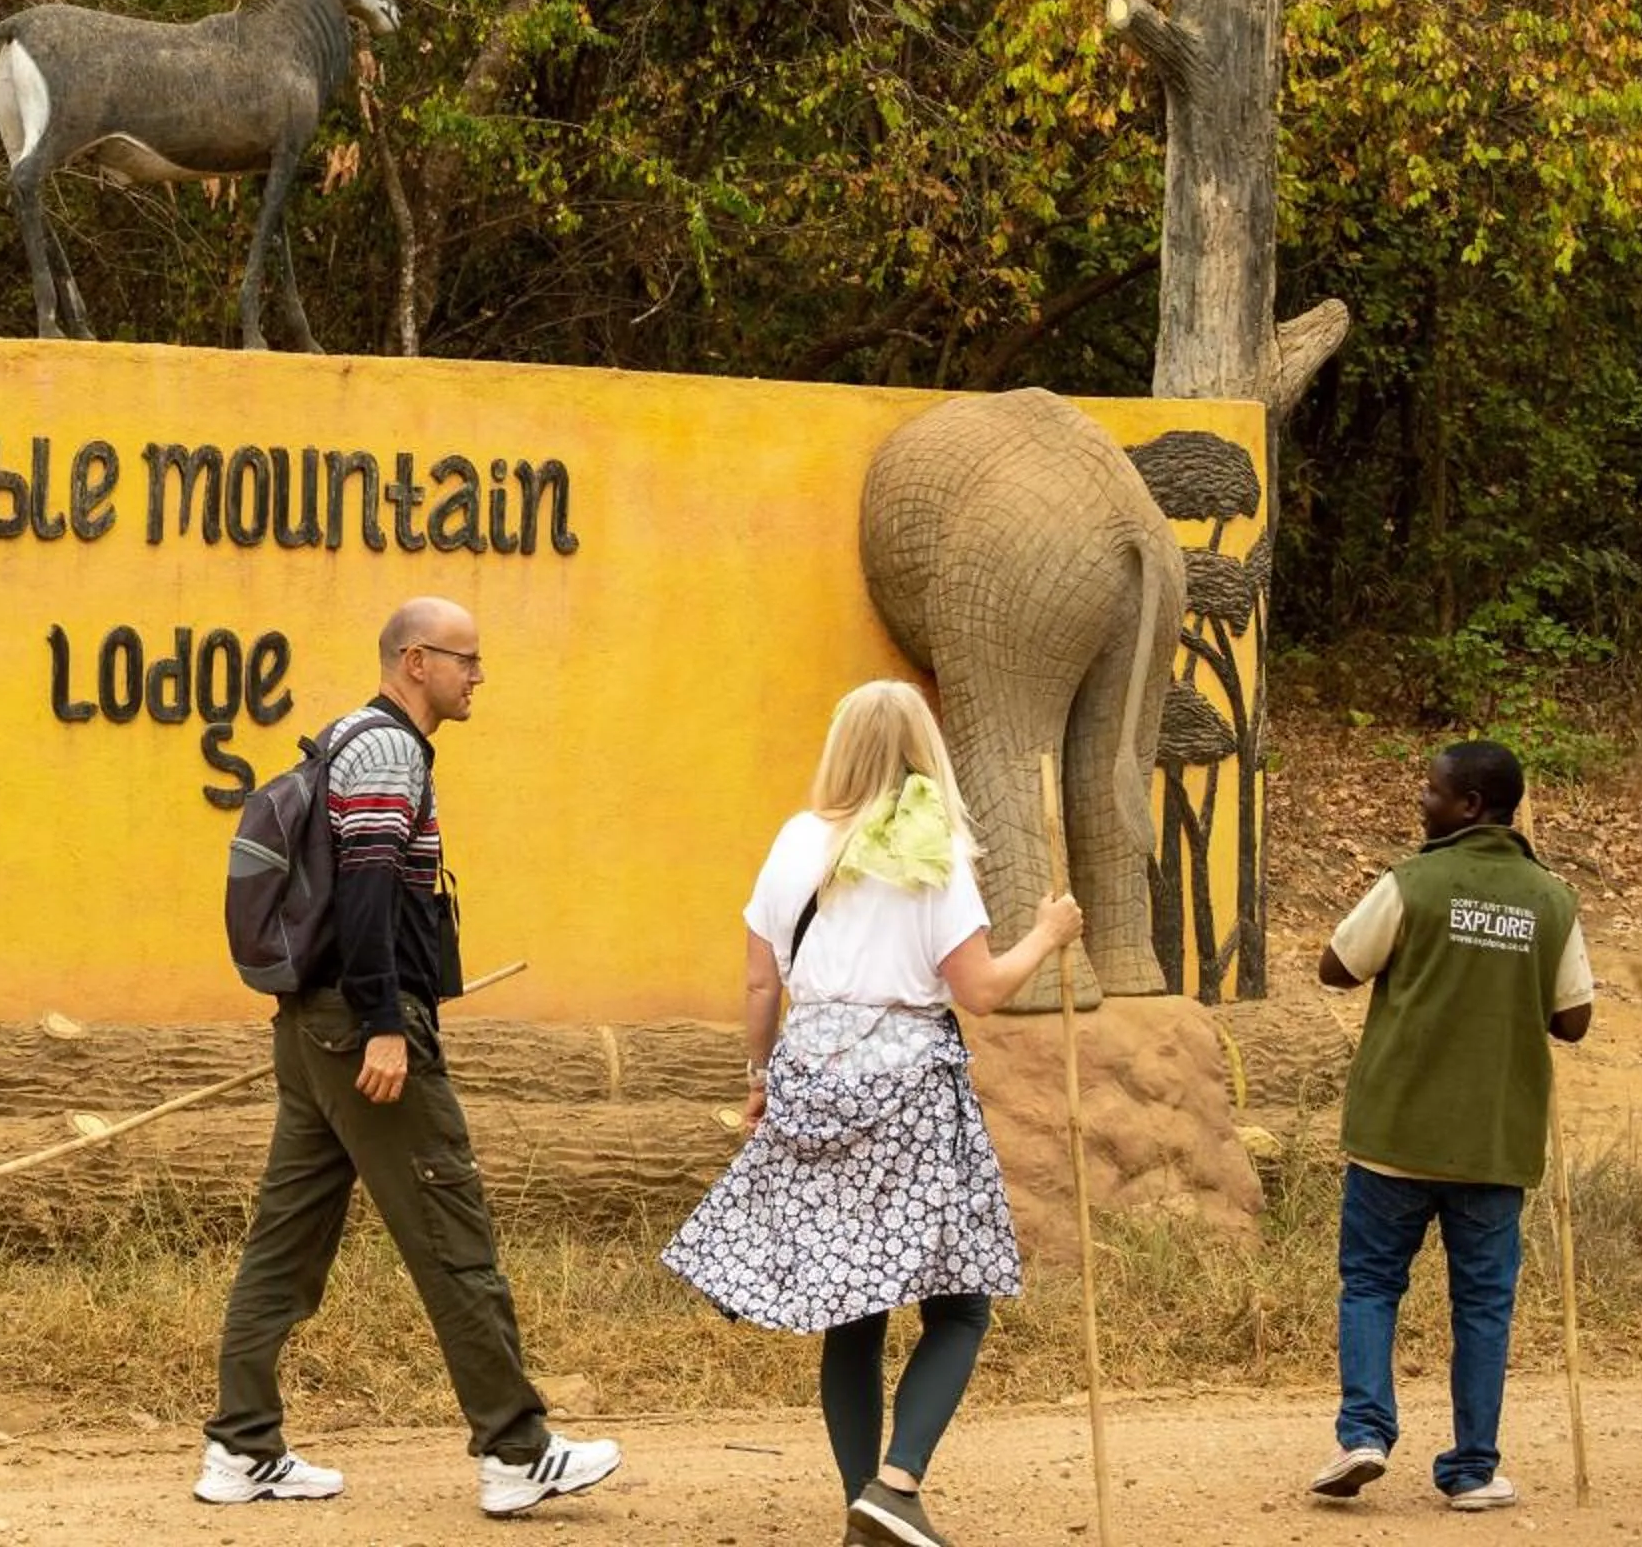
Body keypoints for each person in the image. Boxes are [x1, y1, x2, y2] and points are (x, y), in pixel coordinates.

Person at [197, 596, 623, 1518]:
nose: (479, 677)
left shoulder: (345, 739)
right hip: (361, 1032)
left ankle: (240, 1446)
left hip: (309, 1029)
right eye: (467, 659)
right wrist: (385, 1023)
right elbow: (368, 895)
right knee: (449, 1227)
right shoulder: (389, 750)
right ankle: (515, 1450)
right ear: (416, 660)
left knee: (286, 1239)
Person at [661, 679, 1082, 1547]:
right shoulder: (933, 850)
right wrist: (1048, 934)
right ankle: (895, 1487)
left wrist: (759, 1075)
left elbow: (759, 981)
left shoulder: (794, 840)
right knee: (958, 1304)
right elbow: (981, 991)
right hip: (908, 1087)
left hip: (809, 1073)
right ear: (924, 751)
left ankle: (867, 1507)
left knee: (854, 1307)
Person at [1309, 739, 1593, 1515]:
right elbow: (1573, 1020)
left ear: (1470, 806)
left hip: (1395, 1136)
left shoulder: (1412, 882)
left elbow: (1336, 968)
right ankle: (1471, 1471)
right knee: (1483, 1307)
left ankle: (1364, 1434)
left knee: (1372, 1285)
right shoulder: (1553, 898)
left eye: (1432, 792)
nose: (1421, 801)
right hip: (1494, 1145)